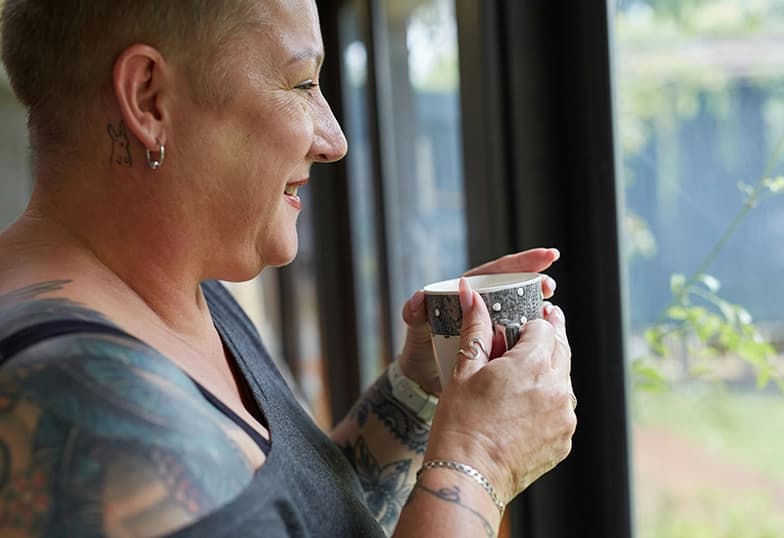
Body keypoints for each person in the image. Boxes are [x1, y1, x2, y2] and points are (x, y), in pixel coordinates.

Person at [0, 1, 576, 536]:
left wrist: (419, 390)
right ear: (149, 98)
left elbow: (292, 516)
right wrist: (478, 462)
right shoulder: (83, 403)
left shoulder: (178, 293)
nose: (335, 141)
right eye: (303, 84)